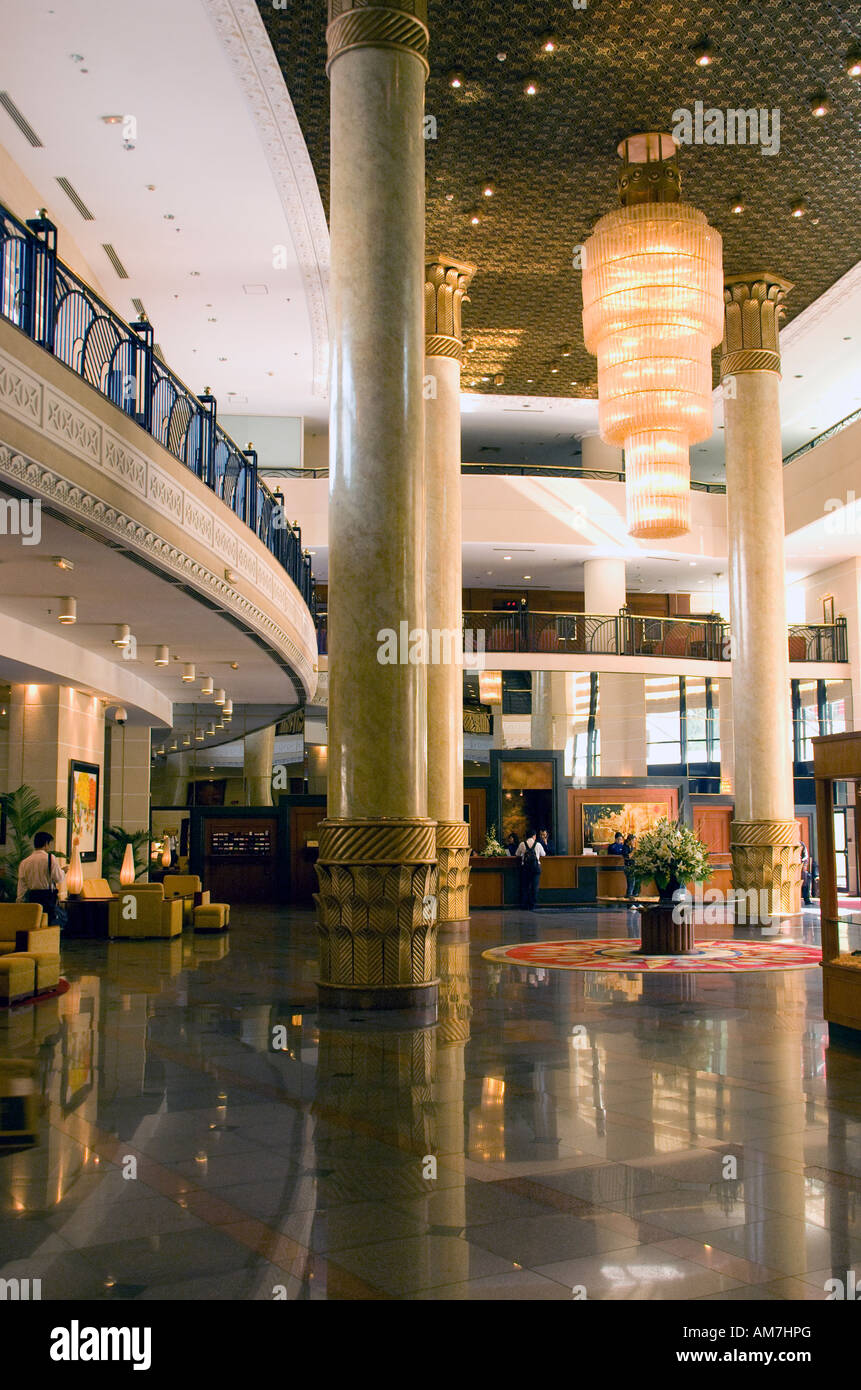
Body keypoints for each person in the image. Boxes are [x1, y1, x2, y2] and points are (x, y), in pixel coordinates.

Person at [17, 831, 65, 925]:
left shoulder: (25, 862)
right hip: (47, 897)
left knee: (35, 924)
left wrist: (19, 901)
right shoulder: (50, 858)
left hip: (33, 898)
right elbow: (58, 878)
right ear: (46, 843)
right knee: (48, 923)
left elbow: (22, 885)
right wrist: (63, 871)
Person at [516, 830, 545, 909]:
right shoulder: (538, 844)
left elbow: (517, 854)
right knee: (534, 886)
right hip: (535, 868)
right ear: (534, 836)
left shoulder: (522, 844)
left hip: (525, 868)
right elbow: (543, 854)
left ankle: (525, 905)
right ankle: (532, 905)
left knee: (525, 886)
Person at [622, 833, 639, 899]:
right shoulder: (625, 847)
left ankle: (633, 899)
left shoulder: (631, 847)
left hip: (633, 867)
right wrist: (634, 851)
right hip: (628, 867)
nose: (633, 842)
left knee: (634, 884)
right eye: (633, 841)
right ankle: (629, 902)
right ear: (629, 840)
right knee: (631, 884)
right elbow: (627, 857)